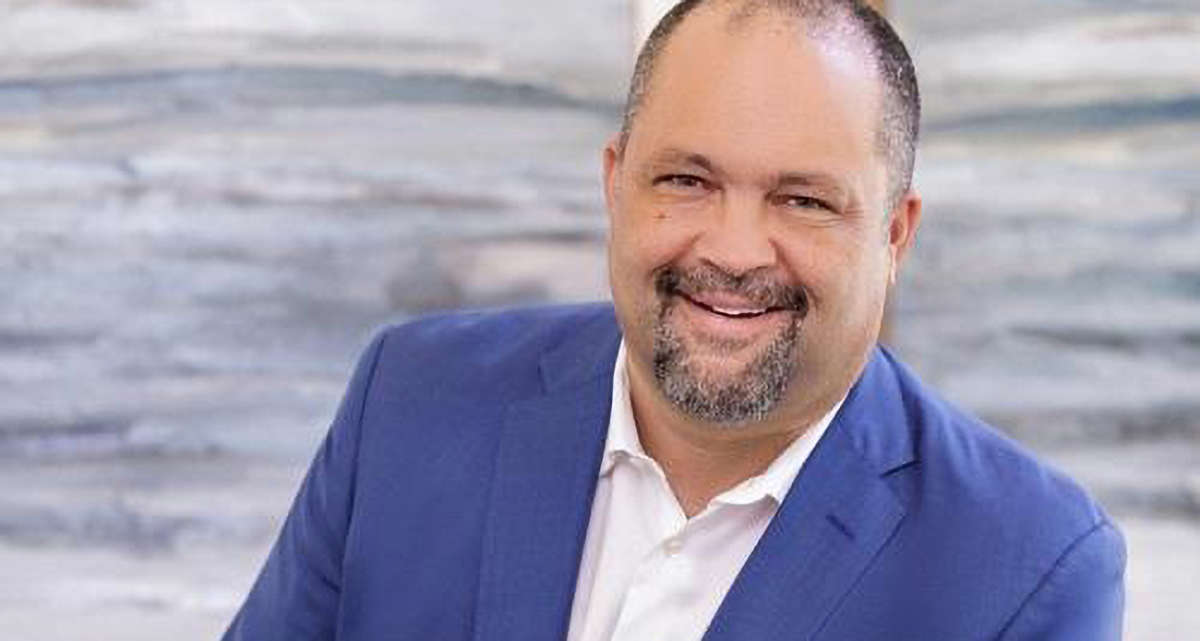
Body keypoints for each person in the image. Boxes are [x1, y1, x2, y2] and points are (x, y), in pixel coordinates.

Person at [223, 1, 1125, 639]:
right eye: (687, 180)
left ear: (894, 235)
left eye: (803, 200)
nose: (733, 250)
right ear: (616, 184)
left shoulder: (1029, 570)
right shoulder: (410, 401)